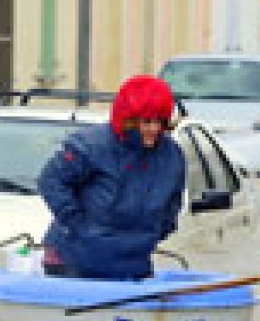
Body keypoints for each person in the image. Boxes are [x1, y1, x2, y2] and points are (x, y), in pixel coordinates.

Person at [37, 75, 186, 280]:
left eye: (160, 121)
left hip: (134, 263)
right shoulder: (91, 146)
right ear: (129, 119)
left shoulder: (172, 155)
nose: (154, 129)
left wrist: (156, 233)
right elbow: (51, 181)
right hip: (73, 260)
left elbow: (173, 201)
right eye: (147, 122)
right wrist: (79, 227)